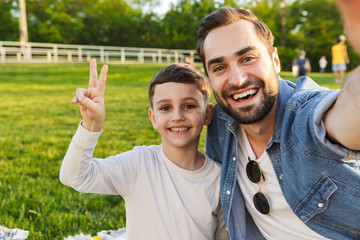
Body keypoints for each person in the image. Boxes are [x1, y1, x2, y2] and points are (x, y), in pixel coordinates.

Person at [196, 6, 360, 240]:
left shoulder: (305, 115)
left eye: (248, 58)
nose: (237, 79)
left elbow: (347, 113)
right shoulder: (220, 121)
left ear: (275, 60)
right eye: (219, 67)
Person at [59, 60, 228, 240]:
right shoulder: (139, 163)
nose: (177, 116)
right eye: (165, 108)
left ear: (208, 114)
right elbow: (75, 177)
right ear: (153, 118)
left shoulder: (219, 179)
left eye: (189, 106)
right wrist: (91, 125)